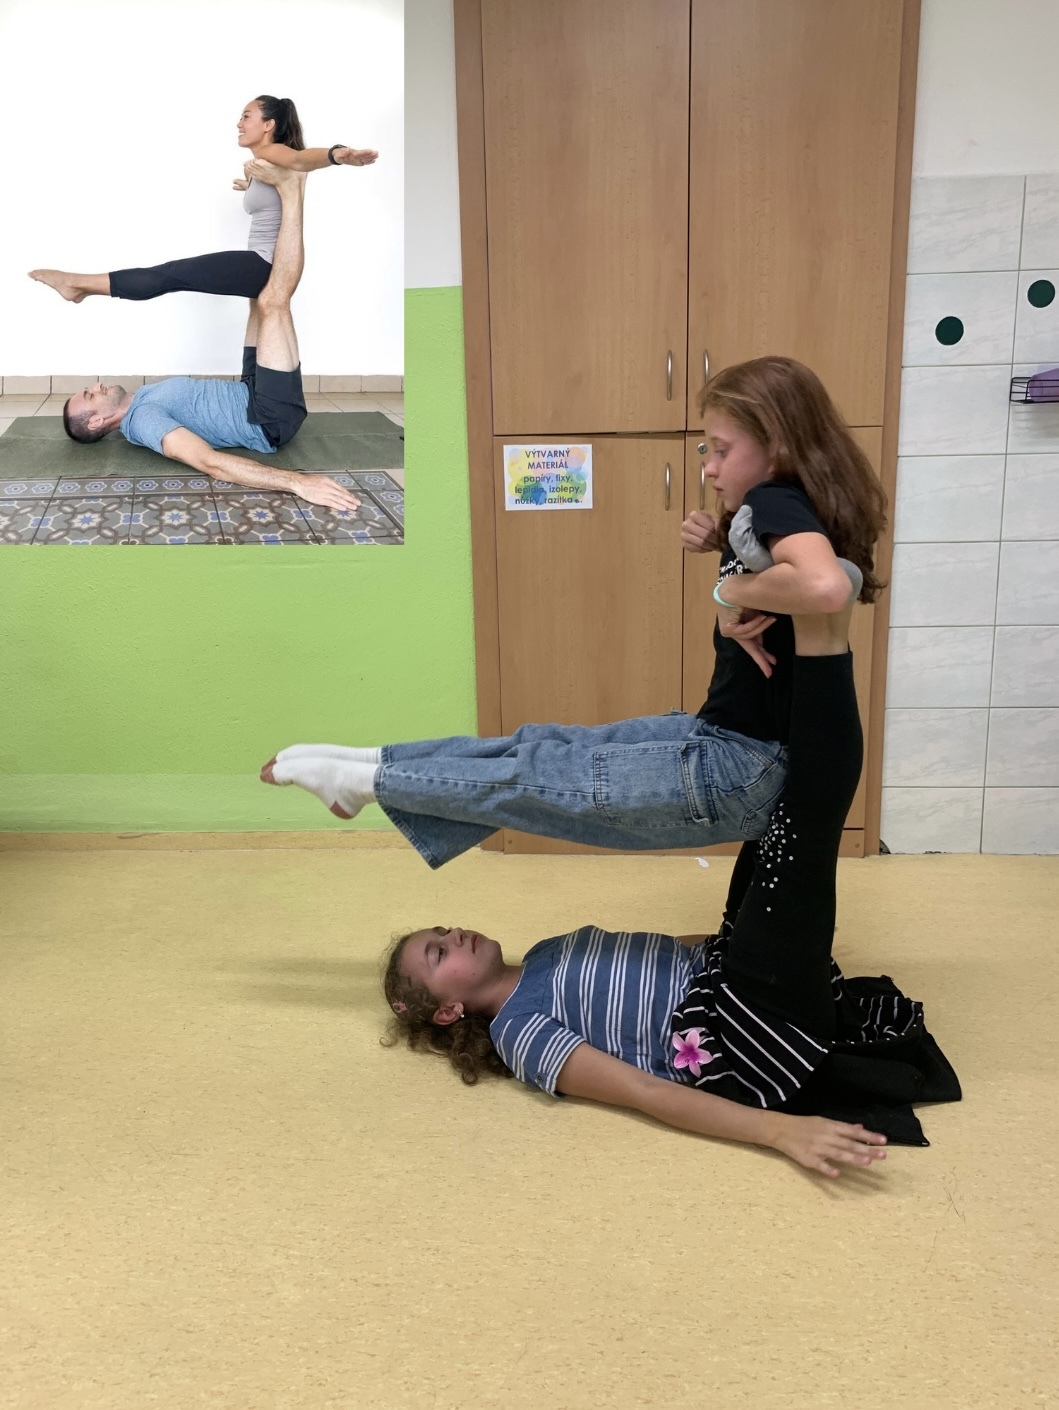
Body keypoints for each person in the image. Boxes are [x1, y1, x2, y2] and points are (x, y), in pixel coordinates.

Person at [380, 606, 961, 1178]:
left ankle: (769, 609)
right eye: (439, 952)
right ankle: (819, 621)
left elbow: (665, 951)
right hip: (741, 1029)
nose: (454, 934)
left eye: (442, 931)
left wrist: (759, 929)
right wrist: (779, 1131)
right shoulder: (520, 1035)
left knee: (779, 796)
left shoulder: (544, 953)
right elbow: (645, 1093)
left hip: (729, 970)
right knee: (809, 809)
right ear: (449, 1011)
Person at [259, 357, 885, 858]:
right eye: (705, 452)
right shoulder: (786, 506)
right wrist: (719, 540)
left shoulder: (775, 500)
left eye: (722, 450)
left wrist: (729, 591)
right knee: (538, 747)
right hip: (727, 740)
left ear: (777, 447)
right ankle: (374, 768)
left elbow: (827, 587)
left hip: (739, 766)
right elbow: (798, 572)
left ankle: (371, 782)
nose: (710, 469)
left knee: (540, 777)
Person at [57, 161, 360, 514]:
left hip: (250, 390)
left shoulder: (142, 398)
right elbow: (209, 462)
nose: (96, 385)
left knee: (259, 293)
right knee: (274, 301)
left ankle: (276, 190)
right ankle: (294, 190)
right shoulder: (143, 421)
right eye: (90, 395)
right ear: (96, 422)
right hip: (269, 417)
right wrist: (297, 482)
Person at [28, 96, 377, 305]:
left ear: (268, 124)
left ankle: (77, 283)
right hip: (263, 264)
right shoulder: (264, 163)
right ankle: (82, 287)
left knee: (169, 274)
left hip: (265, 265)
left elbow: (300, 160)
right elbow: (284, 178)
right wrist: (251, 185)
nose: (239, 123)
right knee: (170, 275)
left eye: (246, 116)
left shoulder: (274, 151)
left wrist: (337, 154)